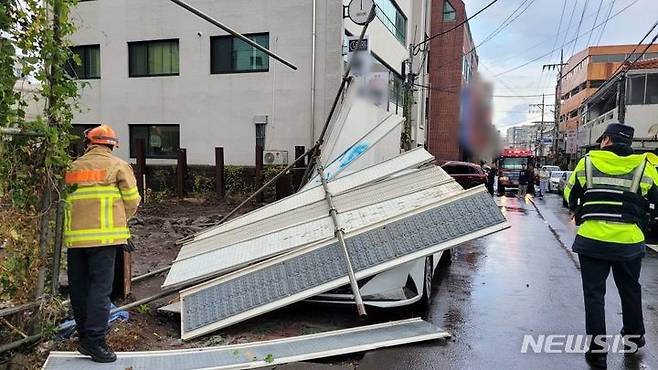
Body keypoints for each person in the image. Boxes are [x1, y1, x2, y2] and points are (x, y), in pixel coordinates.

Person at [564, 123, 658, 368]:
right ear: (628, 143)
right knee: (630, 289)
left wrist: (578, 208)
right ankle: (634, 337)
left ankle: (597, 351)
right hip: (628, 242)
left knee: (595, 295)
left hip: (592, 240)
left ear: (606, 140)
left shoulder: (586, 163)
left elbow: (569, 196)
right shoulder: (644, 166)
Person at [64, 125, 141, 363]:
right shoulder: (118, 166)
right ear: (111, 145)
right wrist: (120, 223)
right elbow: (132, 200)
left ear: (88, 143)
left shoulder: (71, 167)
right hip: (105, 240)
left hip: (75, 240)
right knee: (100, 289)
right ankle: (95, 342)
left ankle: (85, 337)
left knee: (79, 289)